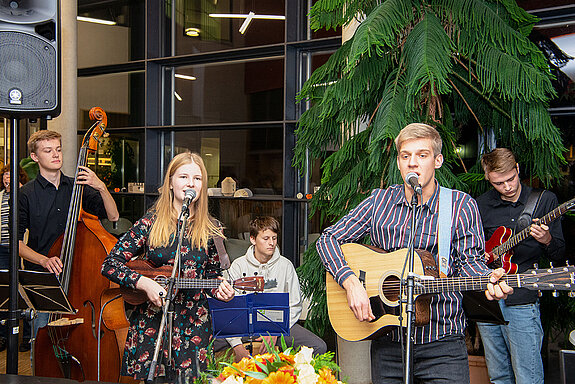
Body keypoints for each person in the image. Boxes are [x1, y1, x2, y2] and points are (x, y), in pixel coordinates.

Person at [315, 123, 512, 384]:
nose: (413, 163)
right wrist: (350, 282)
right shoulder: (379, 203)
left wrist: (487, 279)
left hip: (442, 343)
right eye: (405, 156)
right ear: (398, 163)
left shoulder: (460, 206)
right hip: (388, 343)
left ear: (438, 160)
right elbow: (328, 238)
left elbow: (469, 264)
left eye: (422, 155)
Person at [101, 152, 235, 382]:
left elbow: (212, 276)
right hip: (154, 322)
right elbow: (110, 264)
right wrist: (144, 284)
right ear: (171, 183)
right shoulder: (149, 223)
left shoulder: (213, 229)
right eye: (183, 176)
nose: (191, 183)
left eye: (198, 178)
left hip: (194, 323)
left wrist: (221, 290)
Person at [18, 130, 119, 350]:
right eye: (48, 150)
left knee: (80, 344)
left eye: (58, 149)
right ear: (35, 157)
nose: (55, 155)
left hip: (79, 277)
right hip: (44, 279)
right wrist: (44, 260)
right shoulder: (25, 194)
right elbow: (16, 244)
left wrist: (100, 185)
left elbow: (113, 216)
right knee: (43, 341)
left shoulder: (78, 187)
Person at [476, 148, 565, 384]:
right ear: (489, 179)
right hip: (488, 298)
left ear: (517, 169)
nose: (506, 187)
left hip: (522, 297)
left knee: (528, 376)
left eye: (510, 179)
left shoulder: (544, 200)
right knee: (498, 375)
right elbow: (471, 251)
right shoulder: (481, 205)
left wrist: (546, 239)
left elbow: (559, 252)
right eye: (498, 183)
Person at [214, 216, 327, 361]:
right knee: (207, 346)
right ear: (253, 239)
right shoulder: (238, 265)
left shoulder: (285, 265)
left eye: (274, 238)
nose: (271, 243)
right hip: (244, 326)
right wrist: (237, 346)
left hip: (276, 324)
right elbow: (228, 310)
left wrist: (276, 331)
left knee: (318, 346)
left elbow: (295, 305)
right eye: (266, 238)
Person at [0, 164, 28, 351]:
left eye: (10, 175)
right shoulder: (0, 196)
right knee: (3, 290)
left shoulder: (24, 194)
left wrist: (18, 188)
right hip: (2, 249)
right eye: (4, 175)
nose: (6, 179)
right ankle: (3, 336)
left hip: (21, 250)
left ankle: (26, 337)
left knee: (23, 289)